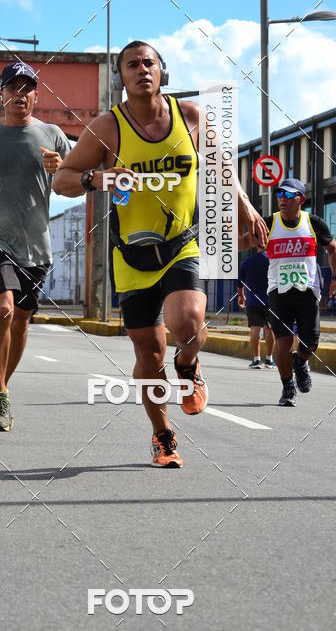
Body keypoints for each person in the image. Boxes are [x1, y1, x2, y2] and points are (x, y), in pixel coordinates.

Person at [53, 41, 267, 467]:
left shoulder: (189, 117)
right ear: (121, 78)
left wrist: (245, 208)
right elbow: (62, 179)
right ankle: (162, 434)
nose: (141, 70)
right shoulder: (107, 128)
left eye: (149, 62)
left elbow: (222, 166)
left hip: (181, 244)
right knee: (149, 358)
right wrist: (98, 178)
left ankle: (188, 363)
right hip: (132, 257)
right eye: (132, 65)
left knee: (186, 324)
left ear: (162, 71)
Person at [0, 60, 70, 432]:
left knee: (22, 319)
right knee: (3, 307)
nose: (20, 95)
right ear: (2, 94)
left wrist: (61, 168)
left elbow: (74, 175)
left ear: (36, 95)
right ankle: (0, 394)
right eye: (13, 88)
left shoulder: (53, 135)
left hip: (36, 244)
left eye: (27, 88)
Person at [241, 178, 336, 406]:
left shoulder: (313, 223)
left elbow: (332, 249)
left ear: (301, 199)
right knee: (283, 342)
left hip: (307, 292)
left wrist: (335, 278)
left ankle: (301, 363)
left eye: (288, 195)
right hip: (278, 292)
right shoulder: (268, 224)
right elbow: (242, 243)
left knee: (310, 342)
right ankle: (287, 387)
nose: (282, 199)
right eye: (279, 194)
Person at [237, 245, 275, 368]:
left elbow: (240, 283)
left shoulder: (247, 261)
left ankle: (256, 360)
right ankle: (269, 359)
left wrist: (241, 296)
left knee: (255, 328)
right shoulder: (273, 260)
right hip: (271, 300)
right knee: (270, 328)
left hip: (253, 301)